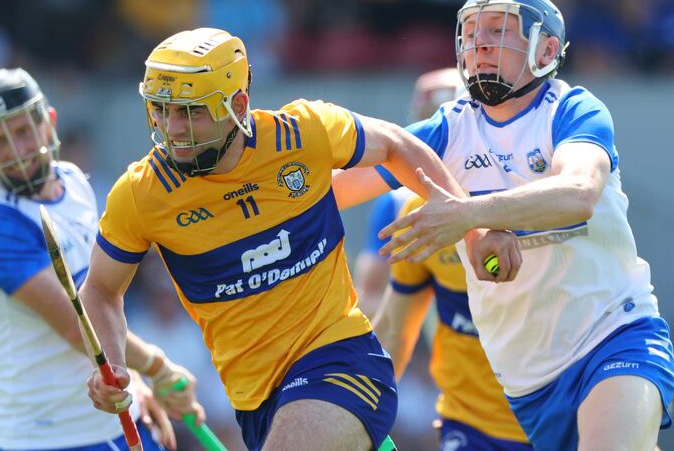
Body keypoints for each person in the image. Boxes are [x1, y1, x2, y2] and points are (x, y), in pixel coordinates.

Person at [79, 27, 487, 451]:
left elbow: (397, 144)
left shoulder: (302, 132)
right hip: (256, 400)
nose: (173, 129)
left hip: (340, 359)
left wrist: (469, 224)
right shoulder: (142, 194)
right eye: (162, 111)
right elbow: (101, 291)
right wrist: (111, 362)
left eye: (191, 112)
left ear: (237, 105)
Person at [336, 0, 674, 451]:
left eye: (498, 32)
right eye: (471, 34)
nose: (480, 46)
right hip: (527, 376)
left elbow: (578, 194)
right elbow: (336, 188)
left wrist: (467, 215)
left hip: (613, 332)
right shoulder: (449, 128)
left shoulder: (572, 109)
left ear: (546, 50)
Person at [0, 67, 204, 451]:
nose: (17, 151)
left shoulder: (73, 181)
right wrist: (157, 367)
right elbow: (78, 327)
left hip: (119, 420)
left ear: (48, 123)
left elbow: (101, 299)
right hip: (44, 439)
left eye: (22, 131)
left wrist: (132, 381)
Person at [372, 191, 531, 450]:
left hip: (565, 417)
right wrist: (352, 410)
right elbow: (393, 332)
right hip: (472, 426)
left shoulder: (556, 200)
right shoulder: (422, 213)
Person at [352, 68, 462, 317]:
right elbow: (371, 294)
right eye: (426, 123)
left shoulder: (506, 184)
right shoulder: (396, 202)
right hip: (446, 345)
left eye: (442, 126)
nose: (429, 143)